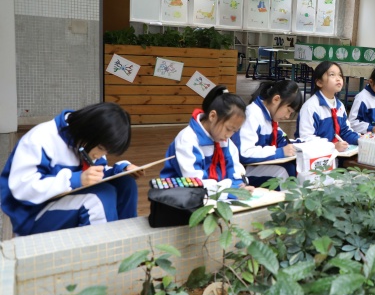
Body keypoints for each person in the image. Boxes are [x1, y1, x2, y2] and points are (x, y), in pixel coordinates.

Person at [0, 103, 140, 236]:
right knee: (100, 197)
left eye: (106, 151)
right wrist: (75, 180)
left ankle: (126, 240)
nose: (99, 155)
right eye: (101, 148)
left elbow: (98, 173)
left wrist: (121, 170)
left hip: (65, 202)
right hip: (32, 216)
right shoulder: (40, 139)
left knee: (126, 183)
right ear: (90, 131)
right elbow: (22, 190)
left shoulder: (86, 141)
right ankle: (103, 248)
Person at [161, 86, 252, 192]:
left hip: (215, 193)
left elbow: (234, 168)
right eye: (228, 129)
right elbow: (196, 183)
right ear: (212, 116)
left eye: (234, 131)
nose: (229, 135)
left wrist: (239, 186)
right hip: (181, 195)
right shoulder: (187, 139)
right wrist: (231, 189)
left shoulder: (223, 138)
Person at [234, 80, 302, 187]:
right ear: (276, 99)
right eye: (288, 111)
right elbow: (244, 153)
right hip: (243, 170)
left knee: (296, 165)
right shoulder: (252, 115)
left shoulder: (270, 116)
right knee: (284, 172)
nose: (287, 116)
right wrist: (280, 152)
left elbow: (282, 139)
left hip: (258, 166)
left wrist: (301, 146)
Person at [297, 61, 359, 151]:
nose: (338, 79)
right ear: (319, 82)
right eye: (332, 75)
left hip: (336, 153)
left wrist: (360, 140)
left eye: (340, 75)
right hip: (315, 156)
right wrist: (332, 146)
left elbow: (345, 132)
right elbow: (306, 138)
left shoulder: (340, 106)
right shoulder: (311, 107)